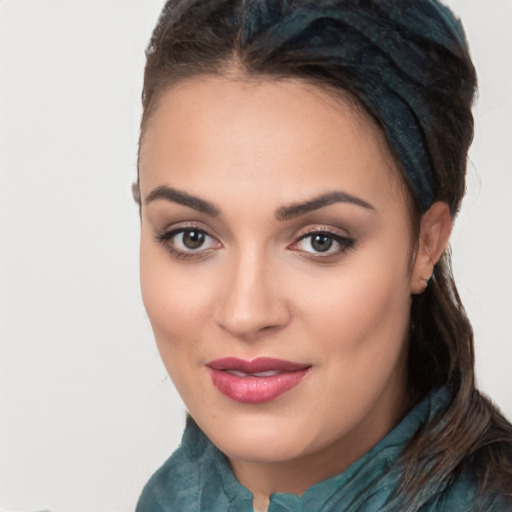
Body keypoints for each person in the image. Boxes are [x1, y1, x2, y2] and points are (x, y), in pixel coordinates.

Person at [132, 1, 512, 510]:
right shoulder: (171, 496)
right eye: (192, 237)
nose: (246, 313)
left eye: (320, 240)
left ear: (426, 244)